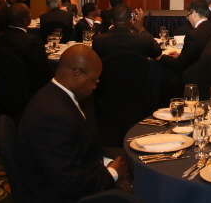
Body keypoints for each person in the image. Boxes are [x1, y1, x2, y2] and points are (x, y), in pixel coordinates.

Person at [18, 45, 130, 202]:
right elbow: (71, 184)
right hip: (57, 196)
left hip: (74, 171)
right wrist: (112, 173)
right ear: (77, 75)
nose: (95, 86)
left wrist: (108, 162)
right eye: (94, 80)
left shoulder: (55, 95)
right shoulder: (52, 117)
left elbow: (81, 147)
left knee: (130, 160)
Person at [0, 3, 52, 124]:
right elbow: (45, 73)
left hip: (0, 91)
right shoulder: (31, 41)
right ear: (25, 20)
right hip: (28, 95)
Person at [160, 0, 211, 73]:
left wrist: (162, 57)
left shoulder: (193, 35)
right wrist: (181, 55)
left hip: (195, 74)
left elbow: (179, 65)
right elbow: (198, 54)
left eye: (188, 15)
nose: (188, 19)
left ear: (194, 14)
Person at [91, 4, 161, 60]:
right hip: (138, 73)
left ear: (112, 21)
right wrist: (141, 28)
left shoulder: (99, 40)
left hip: (108, 74)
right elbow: (157, 53)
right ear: (130, 21)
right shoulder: (144, 39)